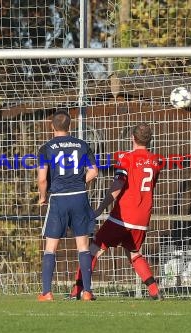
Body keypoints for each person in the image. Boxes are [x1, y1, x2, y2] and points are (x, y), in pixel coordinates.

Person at [68, 123, 162, 300]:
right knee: (133, 252)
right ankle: (155, 291)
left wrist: (100, 209)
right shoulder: (157, 161)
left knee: (94, 247)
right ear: (149, 140)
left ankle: (78, 290)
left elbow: (118, 185)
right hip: (142, 218)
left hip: (123, 215)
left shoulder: (126, 158)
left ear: (132, 138)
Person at [37, 109, 98, 301]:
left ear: (52, 126)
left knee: (50, 247)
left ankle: (47, 293)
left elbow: (41, 179)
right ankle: (87, 291)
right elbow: (94, 171)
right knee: (83, 246)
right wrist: (81, 183)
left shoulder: (46, 148)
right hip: (79, 197)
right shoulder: (82, 145)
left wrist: (42, 196)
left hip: (59, 199)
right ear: (70, 127)